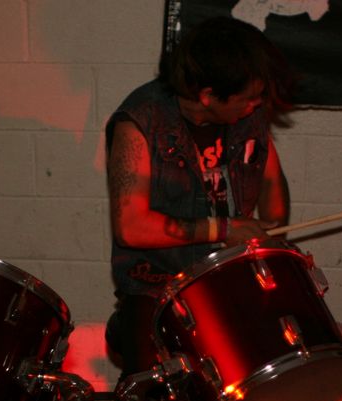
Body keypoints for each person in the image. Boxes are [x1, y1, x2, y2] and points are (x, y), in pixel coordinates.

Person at [104, 16, 296, 379]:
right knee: (152, 388)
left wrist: (271, 237)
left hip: (230, 273)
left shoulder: (248, 112)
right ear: (208, 95)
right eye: (249, 98)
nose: (257, 105)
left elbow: (271, 183)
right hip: (158, 286)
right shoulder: (140, 121)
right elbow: (131, 227)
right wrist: (225, 229)